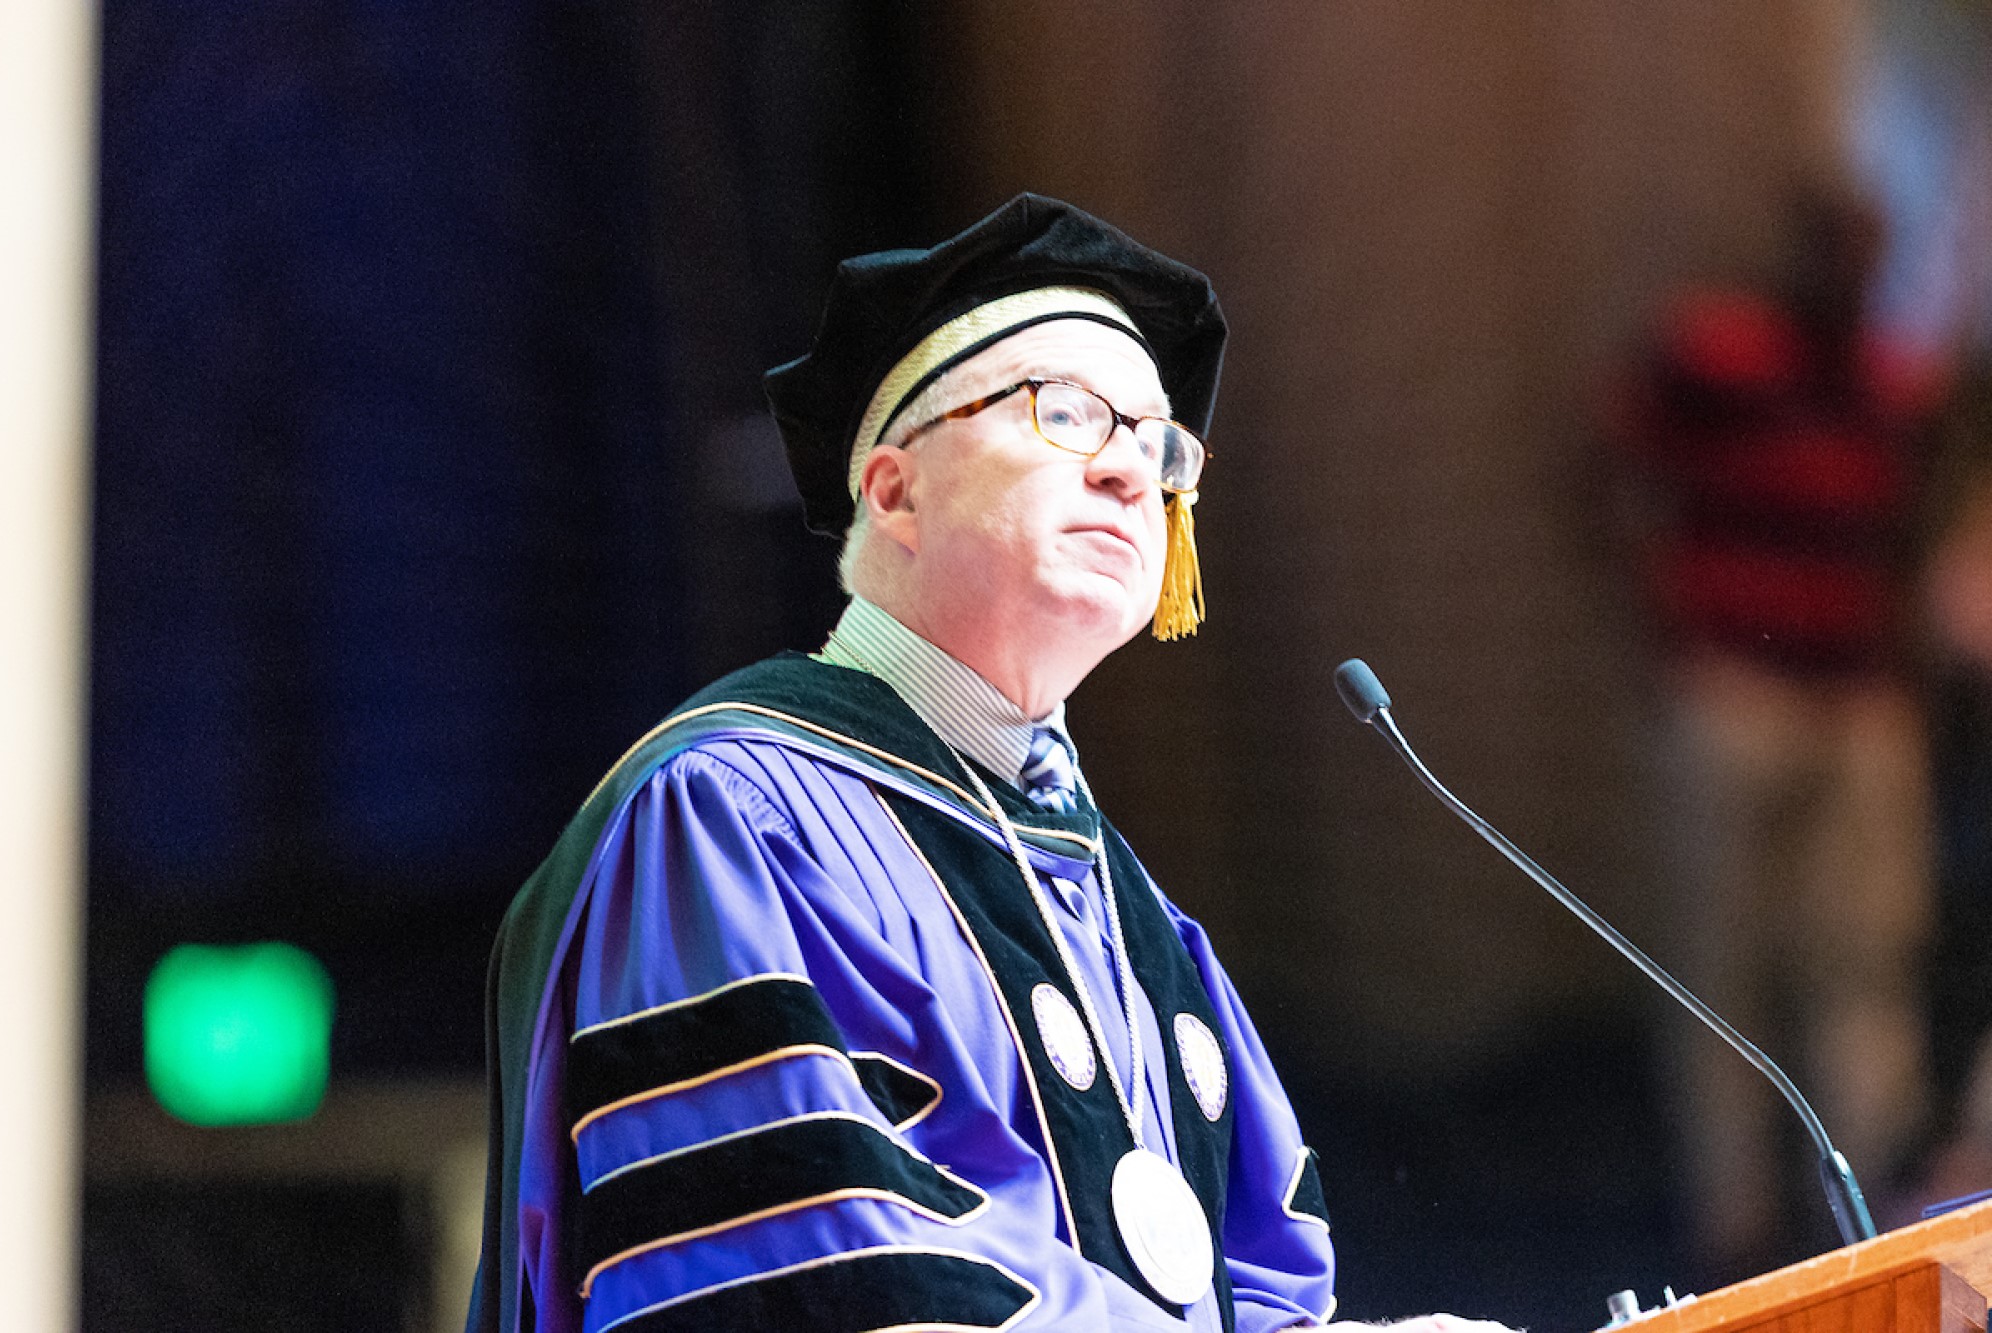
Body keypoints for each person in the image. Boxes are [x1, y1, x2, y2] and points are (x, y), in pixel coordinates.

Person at [465, 194, 1514, 1333]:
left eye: (1157, 444)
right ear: (894, 490)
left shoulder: (1135, 915)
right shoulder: (728, 814)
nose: (1128, 473)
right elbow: (812, 1257)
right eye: (1064, 412)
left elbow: (1260, 1284)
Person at [1610, 186, 1946, 1269]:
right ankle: (1731, 1217)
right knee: (1717, 970)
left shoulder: (1895, 382)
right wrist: (1662, 621)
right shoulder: (1719, 356)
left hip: (1851, 700)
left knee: (1858, 961)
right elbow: (1606, 467)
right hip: (1734, 696)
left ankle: (1855, 1207)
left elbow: (1909, 535)